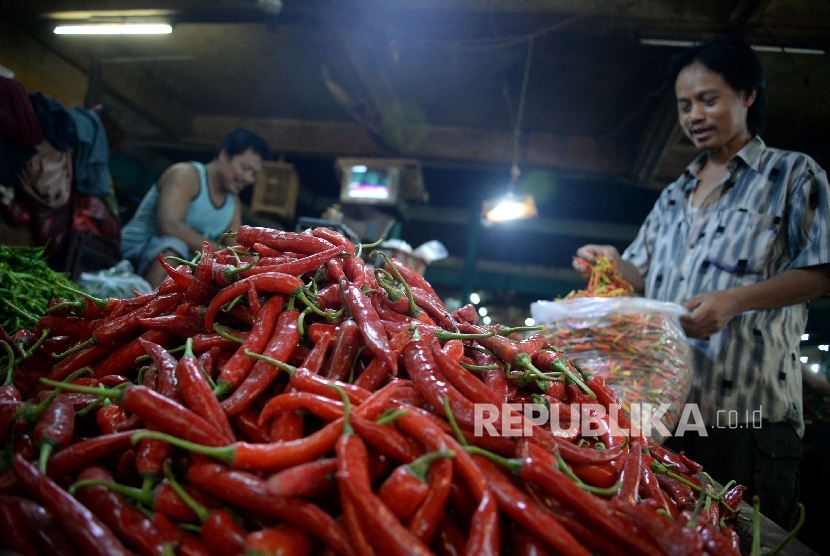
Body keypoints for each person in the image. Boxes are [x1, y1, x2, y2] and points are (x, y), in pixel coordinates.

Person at [573, 35, 830, 530]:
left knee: (749, 538)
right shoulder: (675, 194)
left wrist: (734, 301)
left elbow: (823, 269)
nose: (694, 116)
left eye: (708, 100)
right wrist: (610, 260)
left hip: (749, 423)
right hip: (666, 418)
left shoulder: (792, 175)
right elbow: (637, 272)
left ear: (748, 94)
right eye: (684, 105)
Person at [122, 128, 269, 288]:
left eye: (254, 174)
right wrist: (223, 251)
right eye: (245, 168)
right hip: (137, 250)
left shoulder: (233, 202)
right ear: (224, 155)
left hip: (185, 257)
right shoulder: (186, 174)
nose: (248, 178)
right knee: (173, 249)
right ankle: (147, 306)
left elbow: (236, 247)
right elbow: (169, 227)